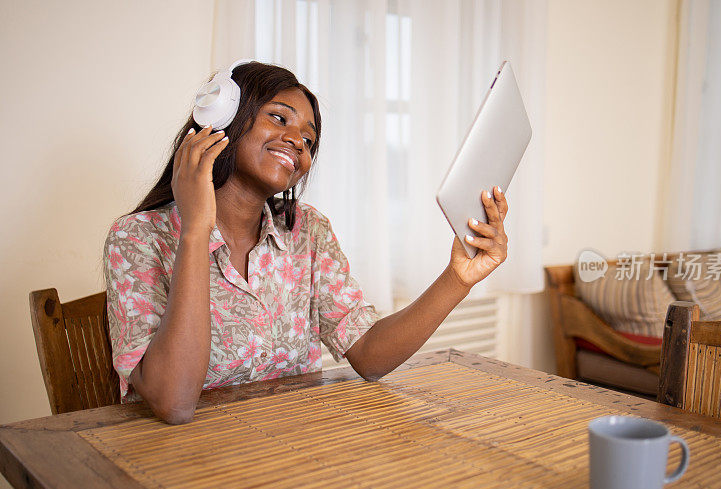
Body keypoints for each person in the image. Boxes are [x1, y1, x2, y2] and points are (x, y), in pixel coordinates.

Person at [104, 62, 509, 425]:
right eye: (279, 118)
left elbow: (368, 354)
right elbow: (174, 403)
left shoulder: (309, 232)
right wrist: (195, 229)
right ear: (223, 119)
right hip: (178, 468)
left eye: (309, 140)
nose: (297, 142)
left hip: (294, 458)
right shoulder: (137, 238)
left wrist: (458, 278)